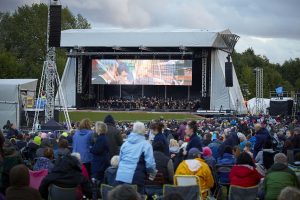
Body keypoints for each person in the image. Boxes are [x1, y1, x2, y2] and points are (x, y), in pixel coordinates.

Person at [116, 121, 156, 194]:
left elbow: (120, 160)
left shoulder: (125, 144)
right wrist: (152, 173)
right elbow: (150, 165)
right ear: (144, 131)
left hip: (121, 176)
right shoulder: (146, 145)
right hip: (136, 178)